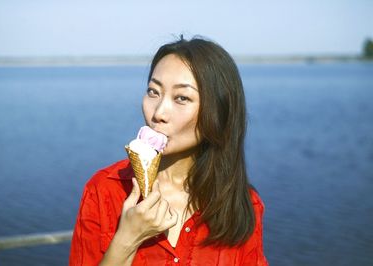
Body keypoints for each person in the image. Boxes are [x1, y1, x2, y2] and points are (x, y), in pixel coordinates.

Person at [69, 36, 268, 266]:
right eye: (154, 92)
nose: (159, 113)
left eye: (182, 98)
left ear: (218, 113)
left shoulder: (244, 205)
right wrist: (127, 239)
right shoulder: (104, 190)